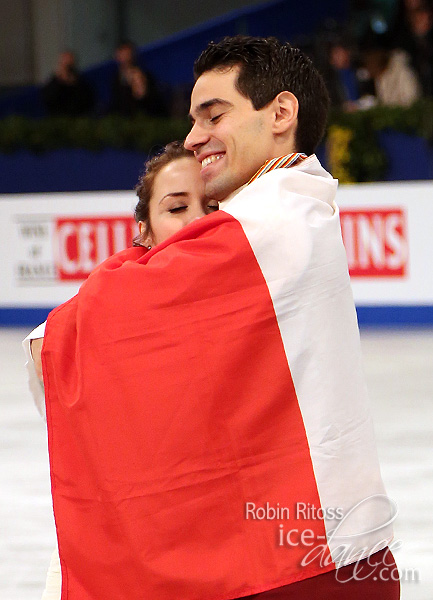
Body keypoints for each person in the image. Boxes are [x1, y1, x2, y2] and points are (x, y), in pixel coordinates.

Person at [37, 36, 399, 599]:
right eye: (192, 119)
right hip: (314, 558)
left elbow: (68, 339)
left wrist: (138, 252)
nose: (193, 137)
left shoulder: (263, 227)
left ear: (281, 114)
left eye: (214, 115)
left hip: (298, 569)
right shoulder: (289, 208)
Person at [23, 141, 218, 600]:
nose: (196, 220)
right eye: (176, 207)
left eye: (211, 206)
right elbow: (42, 348)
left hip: (215, 553)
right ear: (144, 231)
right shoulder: (100, 304)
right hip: (111, 551)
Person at [109, 41, 166, 117]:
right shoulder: (115, 79)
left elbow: (152, 103)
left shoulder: (144, 75)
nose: (125, 58)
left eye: (127, 54)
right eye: (122, 53)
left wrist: (140, 90)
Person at [41, 51, 94, 117]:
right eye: (65, 65)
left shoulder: (81, 83)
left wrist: (72, 83)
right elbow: (48, 100)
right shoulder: (53, 83)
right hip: (59, 118)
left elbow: (87, 102)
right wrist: (60, 80)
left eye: (70, 65)